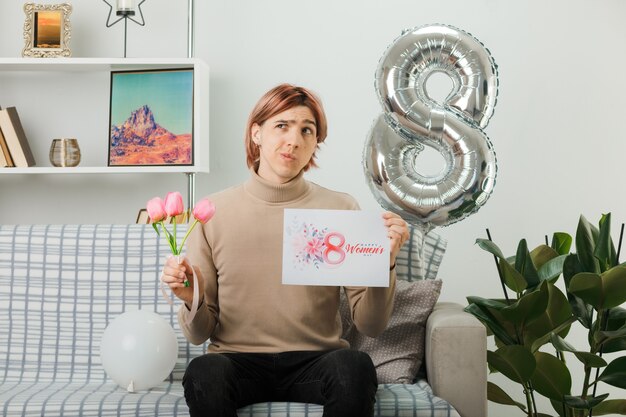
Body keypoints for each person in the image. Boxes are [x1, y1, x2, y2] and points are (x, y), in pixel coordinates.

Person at [161, 83, 409, 417]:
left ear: (315, 145)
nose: (294, 140)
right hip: (236, 362)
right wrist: (191, 298)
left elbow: (372, 325)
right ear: (256, 134)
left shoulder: (340, 208)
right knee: (204, 371)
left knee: (355, 365)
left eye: (307, 131)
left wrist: (384, 264)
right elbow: (199, 334)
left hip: (316, 360)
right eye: (282, 126)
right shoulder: (211, 213)